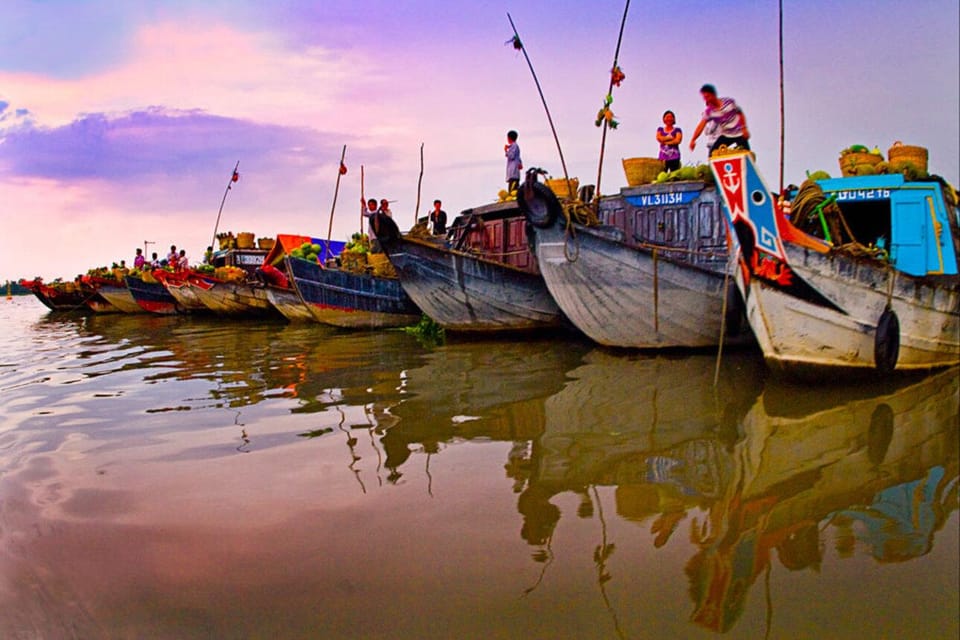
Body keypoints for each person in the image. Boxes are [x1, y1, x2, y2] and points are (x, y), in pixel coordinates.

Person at [688, 84, 750, 155]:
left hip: (739, 133)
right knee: (712, 153)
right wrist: (693, 140)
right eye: (704, 98)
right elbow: (701, 126)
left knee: (747, 154)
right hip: (726, 135)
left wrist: (744, 128)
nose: (706, 99)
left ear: (713, 95)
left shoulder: (729, 102)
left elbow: (740, 113)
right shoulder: (709, 111)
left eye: (707, 97)